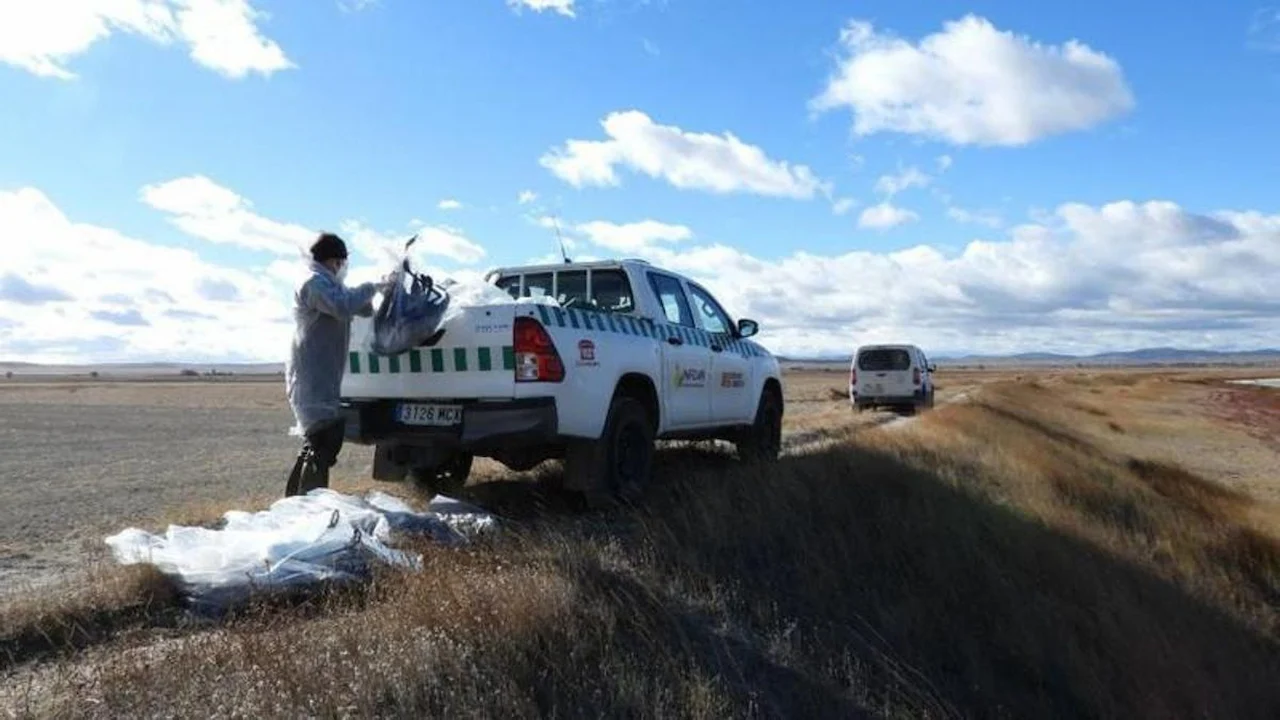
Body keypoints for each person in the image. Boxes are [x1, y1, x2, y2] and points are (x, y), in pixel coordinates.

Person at [284, 232, 393, 497]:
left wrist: (378, 296)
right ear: (335, 261)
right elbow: (342, 306)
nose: (343, 268)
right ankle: (308, 508)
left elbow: (361, 309)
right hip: (311, 377)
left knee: (318, 444)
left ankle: (297, 503)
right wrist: (371, 287)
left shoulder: (328, 284)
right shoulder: (313, 283)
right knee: (323, 442)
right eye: (341, 263)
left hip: (323, 376)